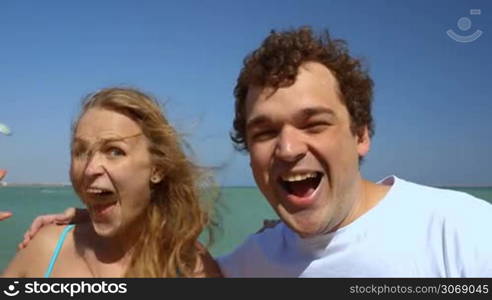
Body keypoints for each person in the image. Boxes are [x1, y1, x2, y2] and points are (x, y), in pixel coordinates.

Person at [20, 27, 492, 277]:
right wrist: (89, 218)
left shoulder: (463, 235)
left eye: (314, 123)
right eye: (264, 131)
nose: (287, 148)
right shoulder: (247, 267)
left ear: (361, 132)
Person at [2, 87, 220, 277]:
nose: (90, 169)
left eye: (114, 151)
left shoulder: (191, 268)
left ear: (157, 168)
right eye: (80, 152)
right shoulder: (46, 250)